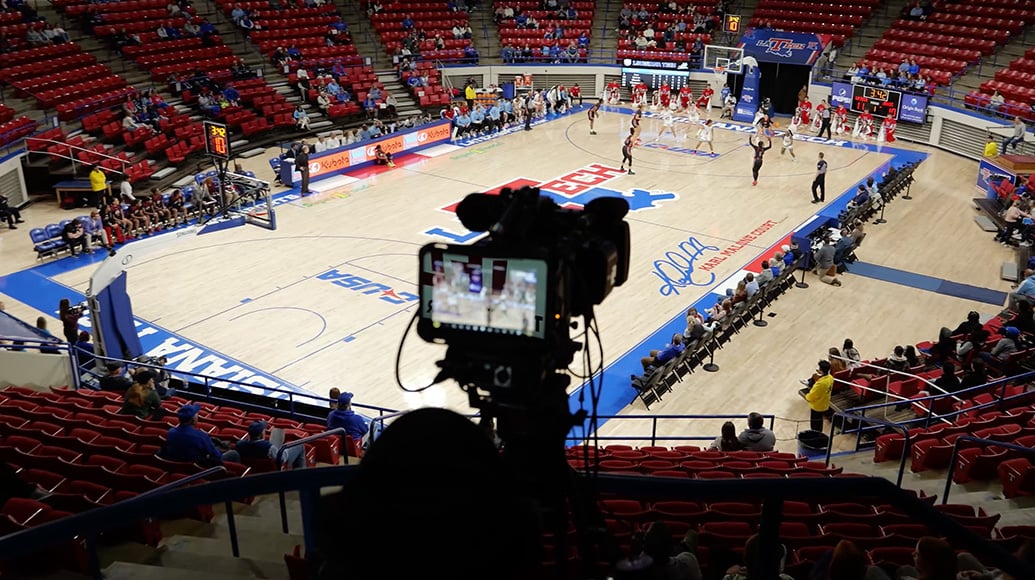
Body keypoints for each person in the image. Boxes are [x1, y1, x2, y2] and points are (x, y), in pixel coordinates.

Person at [162, 404, 240, 466]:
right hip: (197, 465)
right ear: (193, 420)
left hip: (178, 462)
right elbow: (216, 454)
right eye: (196, 414)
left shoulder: (171, 432)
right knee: (234, 454)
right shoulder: (201, 436)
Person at [236, 421, 307, 469]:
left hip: (255, 468)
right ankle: (301, 476)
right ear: (261, 434)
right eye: (264, 430)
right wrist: (281, 448)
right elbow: (282, 459)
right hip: (276, 464)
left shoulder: (239, 444)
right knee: (299, 446)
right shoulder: (269, 447)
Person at [803, 360, 834, 432]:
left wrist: (807, 396)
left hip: (817, 406)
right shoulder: (830, 378)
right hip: (825, 403)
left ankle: (815, 437)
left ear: (821, 370)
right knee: (820, 422)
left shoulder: (820, 384)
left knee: (814, 425)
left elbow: (812, 395)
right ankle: (818, 434)